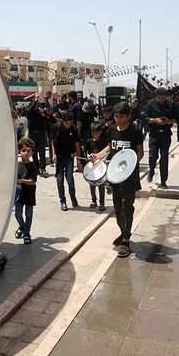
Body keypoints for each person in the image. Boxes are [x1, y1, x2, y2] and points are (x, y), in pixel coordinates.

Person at [89, 102, 144, 258]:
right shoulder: (112, 129)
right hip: (114, 176)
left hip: (129, 177)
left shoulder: (135, 131)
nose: (117, 119)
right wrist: (97, 156)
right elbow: (109, 148)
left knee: (128, 208)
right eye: (116, 116)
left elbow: (140, 153)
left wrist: (130, 167)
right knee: (117, 208)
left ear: (128, 116)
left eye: (121, 117)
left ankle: (126, 241)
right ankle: (123, 232)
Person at [144, 87, 179, 188]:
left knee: (164, 158)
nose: (161, 100)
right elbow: (145, 118)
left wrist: (168, 121)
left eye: (163, 98)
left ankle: (163, 181)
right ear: (156, 96)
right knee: (152, 156)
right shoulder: (150, 104)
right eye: (159, 98)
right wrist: (154, 120)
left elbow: (177, 119)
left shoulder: (172, 104)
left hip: (165, 134)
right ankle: (151, 171)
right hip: (154, 134)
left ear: (166, 96)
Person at [50, 110, 82, 211]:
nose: (68, 125)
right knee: (60, 181)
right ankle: (62, 201)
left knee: (70, 179)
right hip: (59, 157)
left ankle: (73, 197)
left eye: (70, 122)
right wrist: (54, 154)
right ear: (62, 121)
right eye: (66, 123)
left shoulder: (74, 129)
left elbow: (77, 144)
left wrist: (78, 160)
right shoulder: (56, 128)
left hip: (69, 157)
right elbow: (53, 142)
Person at [14, 138, 38, 245]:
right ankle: (22, 227)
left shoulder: (32, 165)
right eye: (24, 150)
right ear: (20, 151)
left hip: (29, 193)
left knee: (29, 214)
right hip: (19, 194)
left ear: (32, 152)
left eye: (28, 151)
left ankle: (27, 233)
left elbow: (33, 181)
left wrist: (21, 181)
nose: (26, 153)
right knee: (17, 213)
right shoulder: (17, 165)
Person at [85, 122, 108, 211]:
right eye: (93, 133)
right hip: (92, 165)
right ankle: (93, 200)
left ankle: (102, 202)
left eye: (97, 133)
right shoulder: (89, 142)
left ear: (100, 132)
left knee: (101, 185)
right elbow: (86, 152)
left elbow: (107, 153)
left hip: (101, 165)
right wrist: (88, 156)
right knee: (91, 184)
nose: (95, 135)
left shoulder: (104, 141)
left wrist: (102, 159)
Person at [26, 94, 48, 176]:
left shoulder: (41, 111)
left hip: (41, 133)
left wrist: (43, 114)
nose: (37, 106)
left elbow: (47, 120)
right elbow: (28, 112)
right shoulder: (30, 111)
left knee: (42, 152)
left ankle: (43, 168)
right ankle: (36, 168)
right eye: (35, 104)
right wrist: (35, 101)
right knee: (34, 152)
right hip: (32, 133)